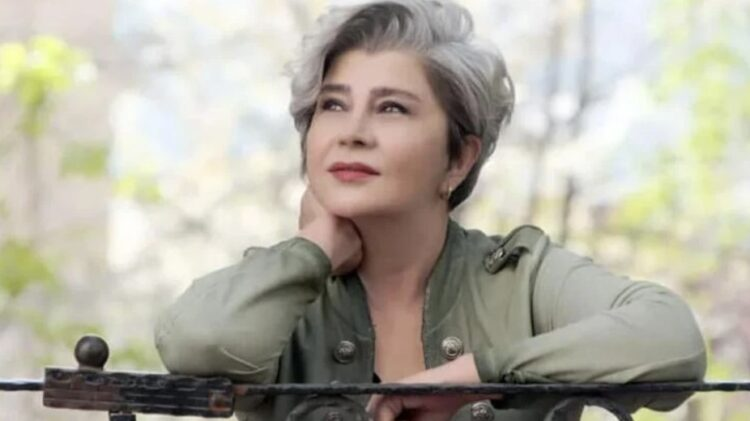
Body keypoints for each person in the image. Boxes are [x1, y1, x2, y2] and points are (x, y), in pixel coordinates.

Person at [153, 1, 707, 420]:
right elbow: (197, 342)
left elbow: (671, 340)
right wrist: (317, 246)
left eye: (392, 108)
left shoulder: (520, 278)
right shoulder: (278, 292)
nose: (352, 132)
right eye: (333, 104)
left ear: (458, 159)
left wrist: (479, 374)